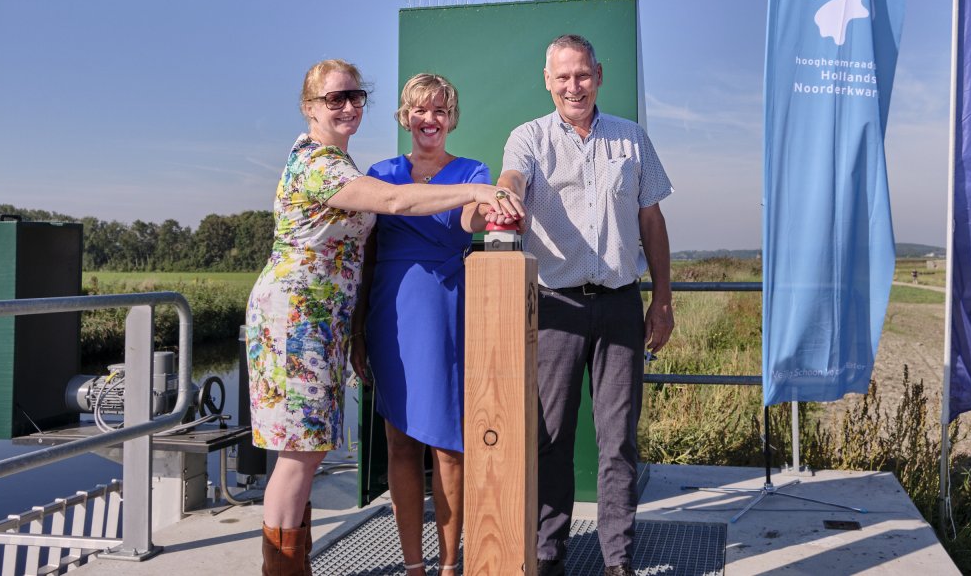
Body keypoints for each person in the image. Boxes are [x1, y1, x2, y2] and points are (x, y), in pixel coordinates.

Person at [246, 59, 523, 576]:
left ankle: (310, 565)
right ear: (309, 107)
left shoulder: (344, 165)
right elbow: (394, 202)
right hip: (298, 320)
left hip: (328, 320)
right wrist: (478, 191)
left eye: (355, 97)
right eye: (334, 98)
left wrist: (493, 194)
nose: (348, 106)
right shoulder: (322, 165)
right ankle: (285, 569)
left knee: (312, 451)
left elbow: (458, 220)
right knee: (301, 454)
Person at [489, 34, 674, 576]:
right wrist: (503, 195)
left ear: (599, 75)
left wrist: (661, 301)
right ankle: (549, 558)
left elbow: (652, 223)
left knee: (618, 444)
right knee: (551, 440)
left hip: (619, 306)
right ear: (547, 80)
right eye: (563, 77)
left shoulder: (632, 139)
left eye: (583, 75)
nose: (574, 86)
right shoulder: (528, 138)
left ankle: (618, 562)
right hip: (554, 307)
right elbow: (512, 179)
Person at [352, 74, 495, 575]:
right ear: (404, 116)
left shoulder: (473, 171)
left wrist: (488, 203)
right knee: (399, 443)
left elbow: (472, 220)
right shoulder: (380, 173)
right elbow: (367, 258)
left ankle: (450, 566)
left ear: (450, 117)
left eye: (438, 110)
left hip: (446, 314)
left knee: (450, 447)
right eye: (419, 110)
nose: (429, 119)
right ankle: (414, 566)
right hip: (389, 316)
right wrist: (355, 333)